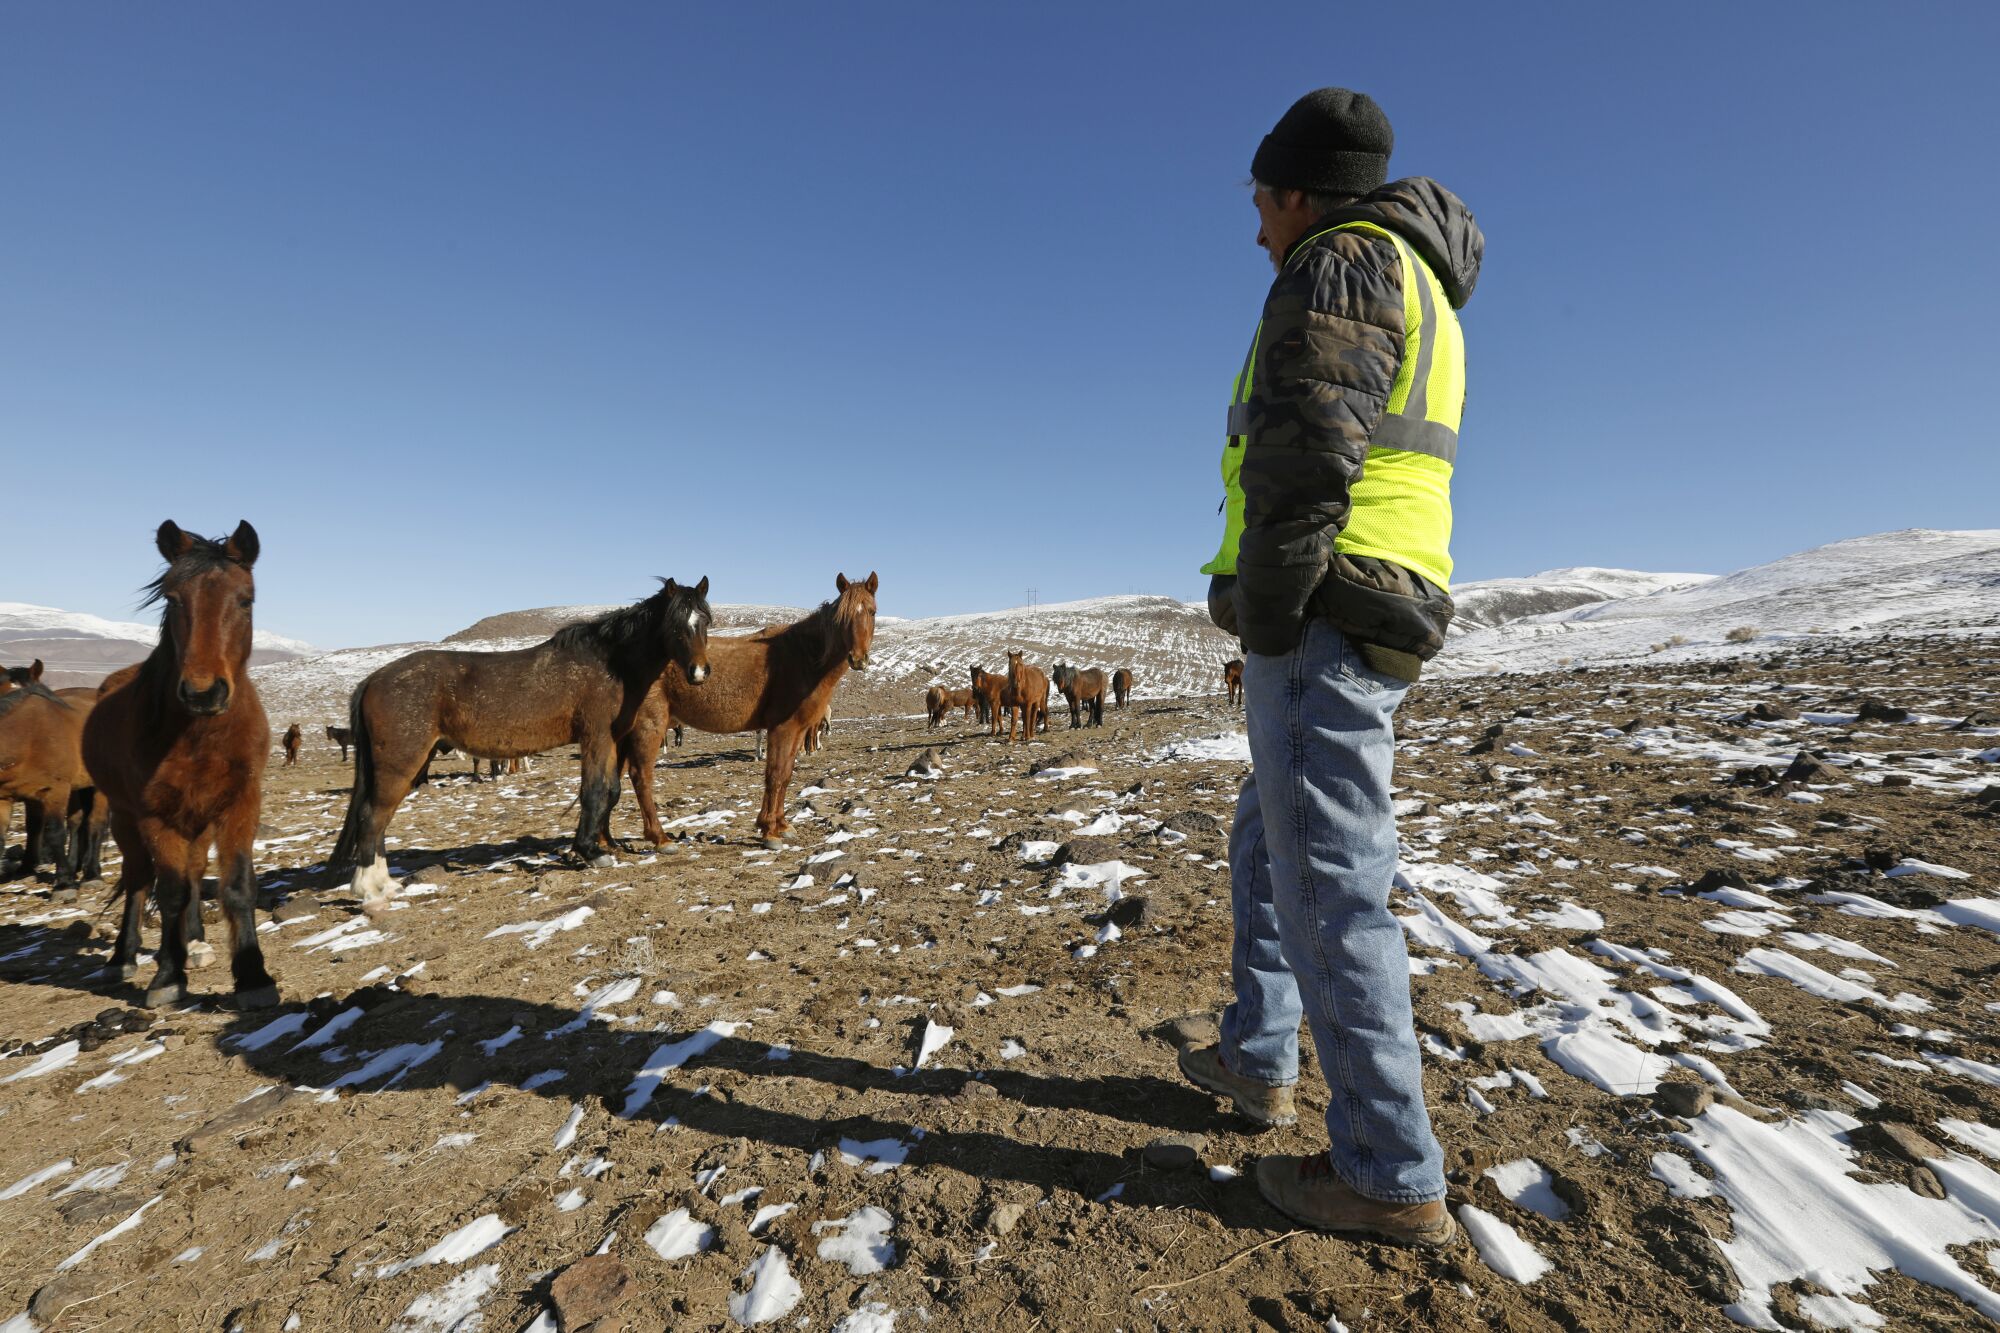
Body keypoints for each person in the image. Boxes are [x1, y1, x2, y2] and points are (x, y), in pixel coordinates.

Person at [1180, 87, 1483, 1247]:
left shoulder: (1343, 263)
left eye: (1261, 200)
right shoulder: (1417, 282)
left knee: (1328, 884)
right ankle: (1256, 1057)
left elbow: (1304, 454)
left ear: (1296, 191)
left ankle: (1385, 1172)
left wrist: (1264, 616)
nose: (1256, 226)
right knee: (1270, 839)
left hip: (1320, 609)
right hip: (1363, 600)